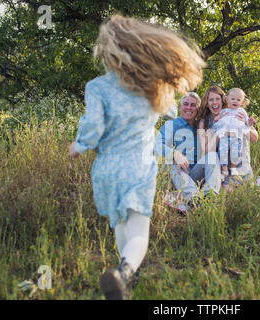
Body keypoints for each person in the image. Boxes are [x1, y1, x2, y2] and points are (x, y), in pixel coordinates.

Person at [68, 14, 205, 299]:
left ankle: (126, 278)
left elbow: (93, 127)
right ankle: (125, 271)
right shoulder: (150, 87)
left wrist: (79, 145)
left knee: (120, 223)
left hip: (106, 168)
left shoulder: (97, 87)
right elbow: (169, 110)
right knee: (139, 230)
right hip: (139, 168)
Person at [154, 92, 222, 215]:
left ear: (198, 108)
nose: (189, 108)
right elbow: (157, 145)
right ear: (180, 107)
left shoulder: (201, 126)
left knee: (212, 156)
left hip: (195, 173)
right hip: (178, 175)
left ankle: (209, 197)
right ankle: (194, 200)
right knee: (172, 163)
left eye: (193, 105)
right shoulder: (171, 125)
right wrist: (175, 154)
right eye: (185, 104)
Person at [197, 86, 258, 191]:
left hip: (243, 166)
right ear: (207, 103)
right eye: (211, 100)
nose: (214, 102)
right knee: (227, 199)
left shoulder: (236, 113)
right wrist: (221, 129)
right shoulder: (204, 122)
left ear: (222, 100)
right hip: (223, 172)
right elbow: (206, 151)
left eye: (217, 99)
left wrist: (243, 125)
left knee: (246, 196)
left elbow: (255, 138)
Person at [211, 88, 250, 178]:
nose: (235, 101)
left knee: (236, 153)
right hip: (224, 136)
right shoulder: (224, 112)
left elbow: (247, 124)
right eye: (232, 99)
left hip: (236, 136)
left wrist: (249, 122)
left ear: (243, 102)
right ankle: (224, 169)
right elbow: (218, 124)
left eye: (238, 100)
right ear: (227, 99)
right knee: (223, 151)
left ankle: (233, 168)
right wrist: (216, 120)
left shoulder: (242, 112)